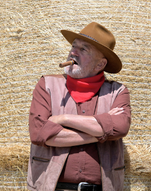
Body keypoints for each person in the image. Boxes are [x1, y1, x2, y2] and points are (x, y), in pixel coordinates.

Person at [27, 22, 131, 191]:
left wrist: (63, 119)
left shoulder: (117, 91)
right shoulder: (46, 85)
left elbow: (120, 127)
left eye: (84, 49)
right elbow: (39, 133)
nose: (73, 52)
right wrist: (101, 132)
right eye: (74, 46)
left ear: (100, 65)